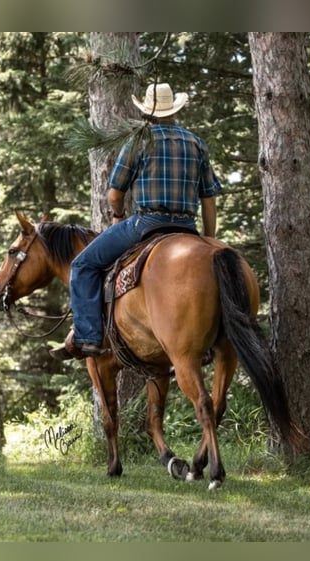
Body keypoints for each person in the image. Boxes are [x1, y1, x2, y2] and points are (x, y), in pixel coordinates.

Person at [50, 82, 223, 360]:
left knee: (83, 264)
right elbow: (209, 199)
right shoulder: (195, 143)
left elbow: (115, 193)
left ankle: (88, 337)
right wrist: (208, 238)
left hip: (147, 223)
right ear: (173, 110)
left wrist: (118, 216)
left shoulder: (139, 141)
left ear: (148, 112)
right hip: (187, 229)